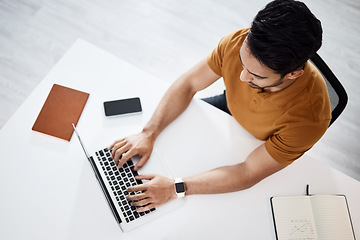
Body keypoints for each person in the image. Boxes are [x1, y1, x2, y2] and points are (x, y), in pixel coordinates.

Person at [109, 0, 331, 212]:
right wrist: (148, 133)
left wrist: (175, 188)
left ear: (293, 74)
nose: (242, 77)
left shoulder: (310, 119)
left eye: (256, 76)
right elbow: (189, 84)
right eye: (243, 64)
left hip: (260, 141)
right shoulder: (238, 41)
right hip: (227, 108)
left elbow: (248, 172)